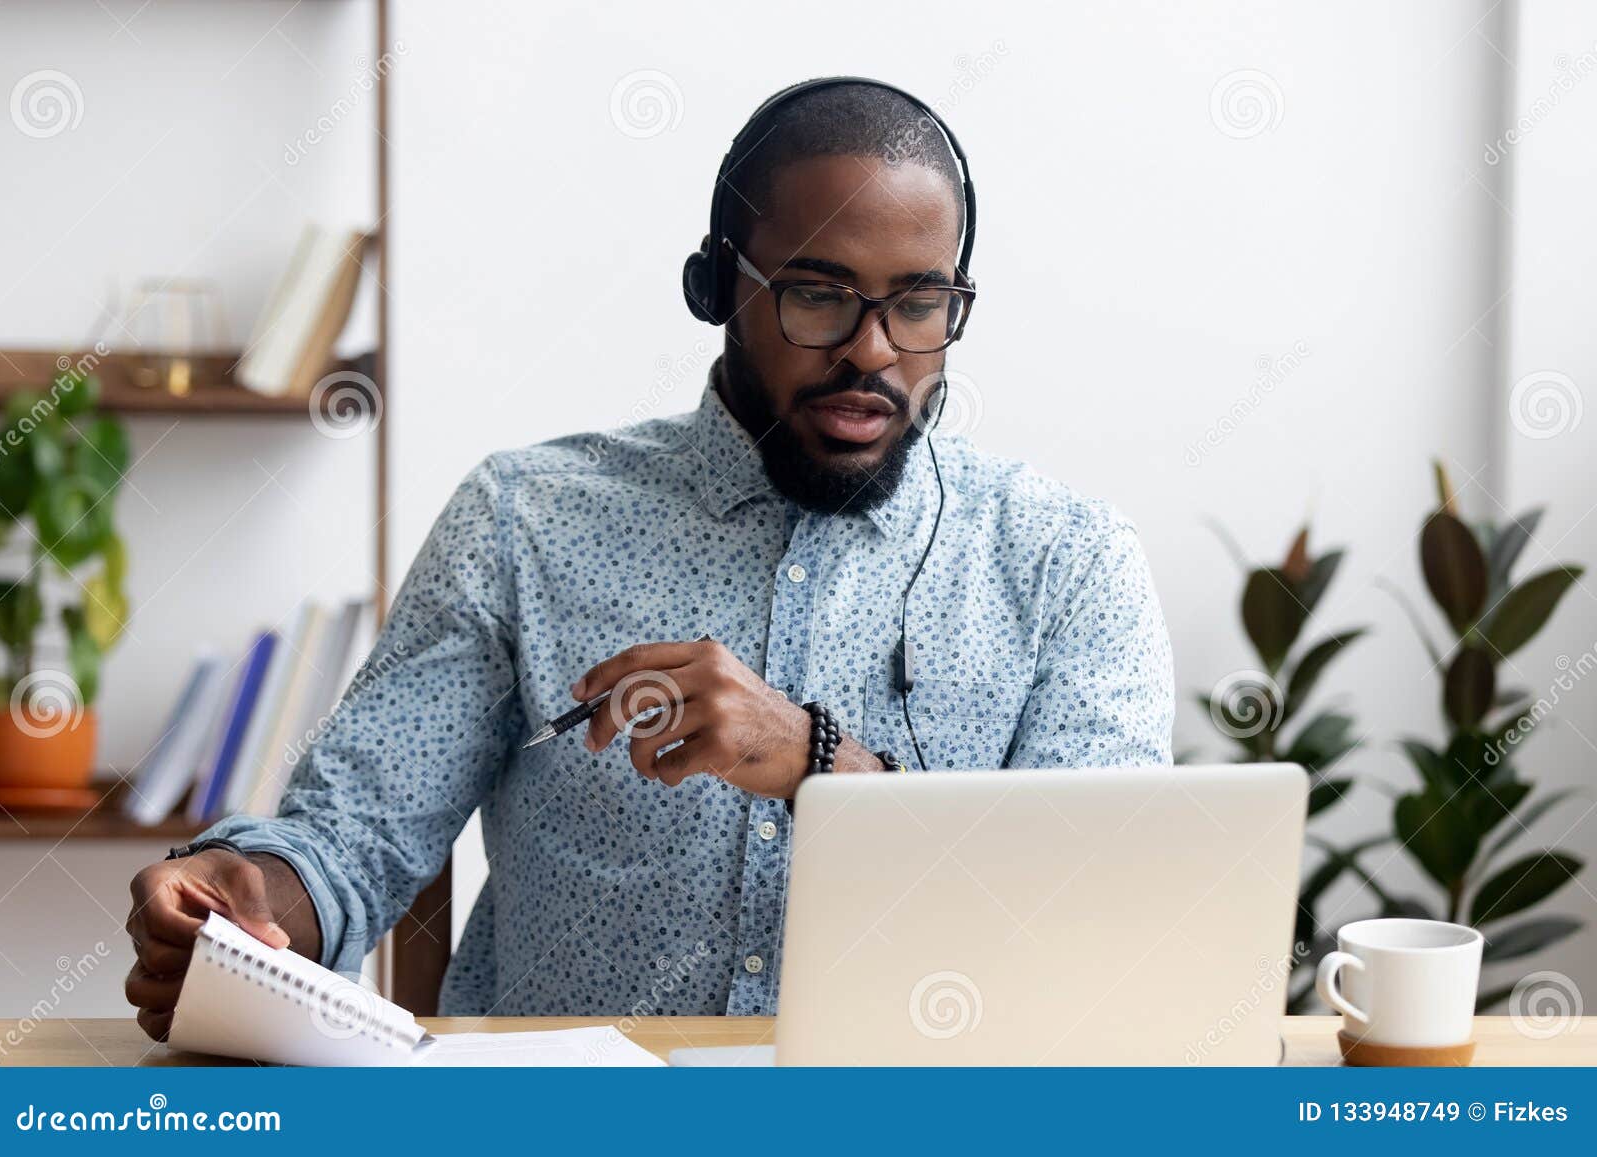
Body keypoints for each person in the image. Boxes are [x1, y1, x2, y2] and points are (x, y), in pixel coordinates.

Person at [124, 79, 1174, 1040]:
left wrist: (821, 762)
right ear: (718, 287)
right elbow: (352, 837)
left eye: (918, 302)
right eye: (818, 293)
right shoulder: (524, 519)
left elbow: (1097, 922)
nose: (873, 350)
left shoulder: (1066, 560)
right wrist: (250, 896)